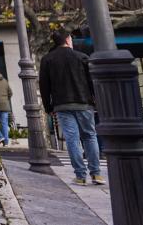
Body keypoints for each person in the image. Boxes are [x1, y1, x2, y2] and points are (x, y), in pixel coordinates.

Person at [39, 30, 104, 186]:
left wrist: (48, 107)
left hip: (62, 105)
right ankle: (96, 174)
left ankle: (80, 176)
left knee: (72, 139)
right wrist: (97, 101)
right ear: (68, 39)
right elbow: (92, 82)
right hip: (84, 103)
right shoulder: (82, 57)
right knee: (90, 136)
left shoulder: (47, 59)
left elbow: (44, 86)